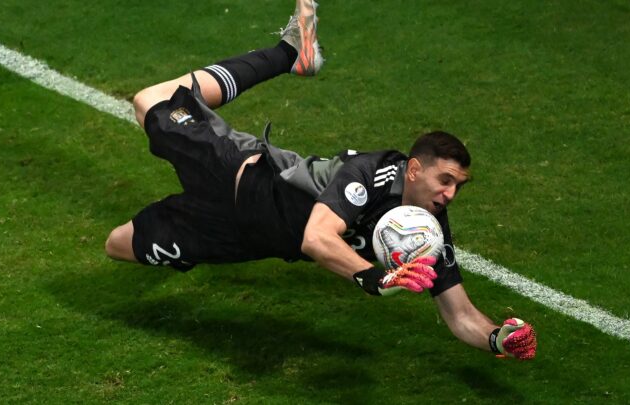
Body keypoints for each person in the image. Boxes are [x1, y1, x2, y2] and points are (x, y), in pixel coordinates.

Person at [105, 0, 537, 360]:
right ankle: (288, 54)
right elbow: (316, 238)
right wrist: (373, 278)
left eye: (459, 186)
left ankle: (290, 57)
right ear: (413, 168)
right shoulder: (371, 173)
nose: (451, 193)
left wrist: (498, 337)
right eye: (445, 180)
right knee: (150, 101)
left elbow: (458, 312)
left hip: (243, 237)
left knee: (118, 245)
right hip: (234, 173)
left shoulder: (430, 231)